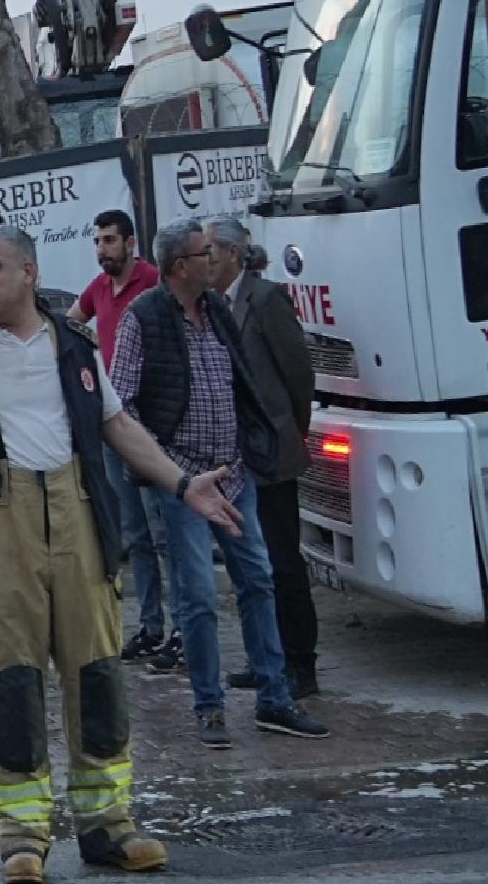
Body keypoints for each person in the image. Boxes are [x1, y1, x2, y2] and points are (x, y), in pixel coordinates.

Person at [0, 224, 247, 884]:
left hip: (76, 516)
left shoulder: (74, 348)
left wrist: (183, 484)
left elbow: (120, 427)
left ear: (28, 273)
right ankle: (22, 837)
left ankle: (109, 825)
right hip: (4, 524)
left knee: (98, 673)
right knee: (10, 684)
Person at [111, 220, 328, 744]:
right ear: (181, 266)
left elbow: (243, 382)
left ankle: (274, 699)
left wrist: (256, 445)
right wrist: (165, 470)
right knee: (199, 597)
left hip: (233, 476)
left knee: (259, 581)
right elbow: (119, 400)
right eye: (205, 253)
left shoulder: (217, 311)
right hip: (183, 483)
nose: (216, 259)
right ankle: (209, 708)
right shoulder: (144, 318)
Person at [219, 228, 320, 698]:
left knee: (283, 560)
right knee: (253, 566)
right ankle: (268, 658)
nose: (204, 259)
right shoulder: (217, 303)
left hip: (273, 449)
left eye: (211, 251)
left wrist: (292, 427)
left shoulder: (264, 298)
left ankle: (301, 663)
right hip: (241, 454)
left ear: (232, 254)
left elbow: (298, 370)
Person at [71, 209, 174, 664]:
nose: (102, 250)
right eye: (97, 241)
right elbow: (71, 325)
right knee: (134, 532)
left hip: (146, 425)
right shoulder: (98, 289)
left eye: (110, 240)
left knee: (163, 531)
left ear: (131, 243)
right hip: (111, 422)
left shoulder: (152, 282)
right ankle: (151, 626)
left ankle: (181, 629)